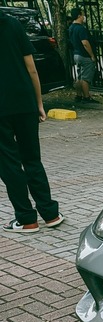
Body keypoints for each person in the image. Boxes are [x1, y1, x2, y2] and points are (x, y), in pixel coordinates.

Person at [0, 9, 64, 233]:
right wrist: (38, 103)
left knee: (8, 164)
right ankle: (50, 213)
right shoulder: (14, 24)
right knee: (32, 159)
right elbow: (32, 68)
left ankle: (27, 219)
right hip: (24, 101)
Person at [68, 7, 98, 103]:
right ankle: (86, 96)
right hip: (84, 55)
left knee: (79, 76)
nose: (84, 16)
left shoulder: (71, 27)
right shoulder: (81, 29)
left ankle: (79, 95)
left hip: (76, 54)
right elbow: (85, 43)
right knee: (86, 78)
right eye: (83, 14)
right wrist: (92, 55)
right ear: (79, 16)